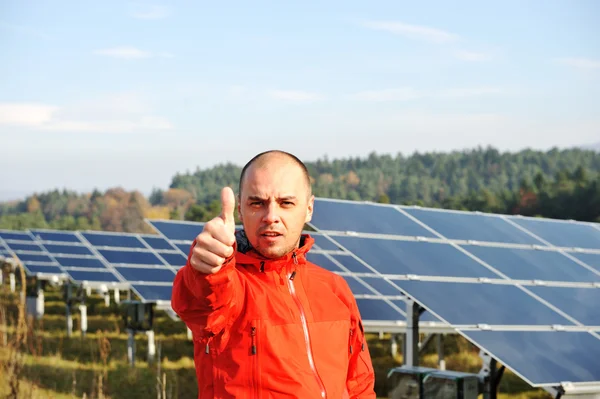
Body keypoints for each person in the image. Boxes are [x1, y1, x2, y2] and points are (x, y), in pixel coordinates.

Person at [171, 150, 376, 398]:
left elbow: (359, 384)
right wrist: (206, 269)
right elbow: (203, 301)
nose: (271, 217)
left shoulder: (334, 288)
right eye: (257, 203)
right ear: (239, 209)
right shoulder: (229, 284)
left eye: (286, 203)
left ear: (309, 208)